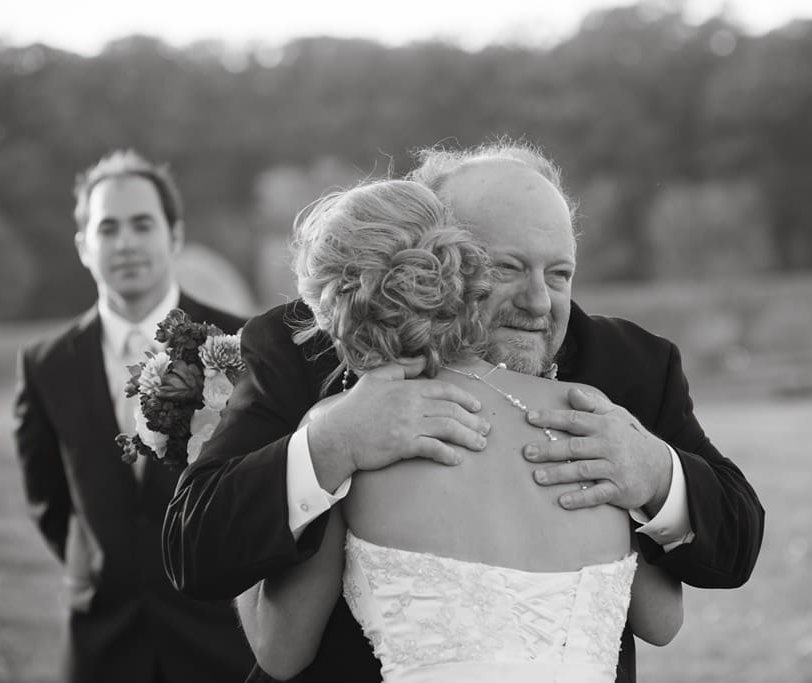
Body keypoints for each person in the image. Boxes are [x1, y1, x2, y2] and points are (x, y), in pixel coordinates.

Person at [162, 141, 765, 683]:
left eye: (560, 274)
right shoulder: (306, 348)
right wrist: (328, 448)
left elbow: (737, 543)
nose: (538, 302)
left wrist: (658, 474)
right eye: (507, 267)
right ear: (437, 260)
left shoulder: (632, 366)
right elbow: (194, 548)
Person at [234, 178, 683, 682]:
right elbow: (662, 620)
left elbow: (281, 650)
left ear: (335, 309)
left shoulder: (349, 434)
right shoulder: (591, 417)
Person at [13, 149, 254, 683]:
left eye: (142, 224)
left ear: (173, 236)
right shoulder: (45, 365)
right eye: (108, 228)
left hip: (223, 642)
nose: (125, 243)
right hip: (104, 646)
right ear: (84, 245)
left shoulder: (241, 344)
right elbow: (49, 499)